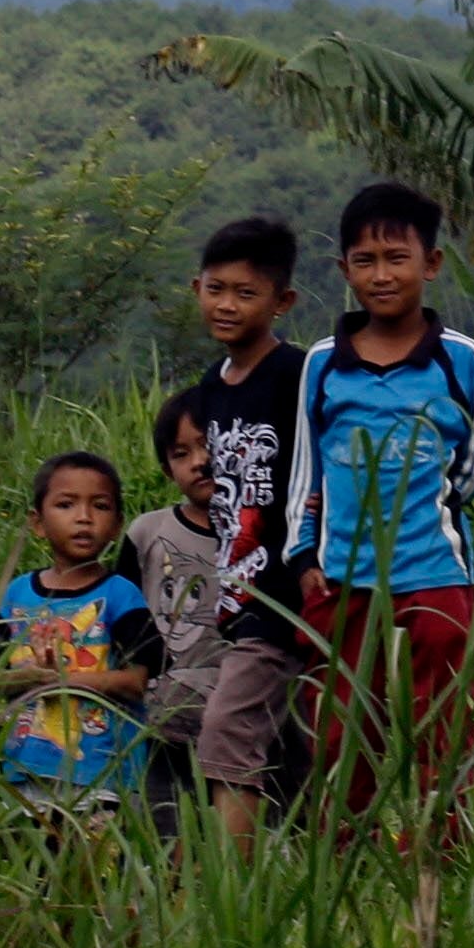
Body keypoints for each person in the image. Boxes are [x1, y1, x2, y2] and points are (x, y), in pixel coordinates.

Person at [279, 181, 474, 862]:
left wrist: (425, 516)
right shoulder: (320, 363)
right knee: (341, 726)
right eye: (365, 260)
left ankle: (436, 851)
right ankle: (342, 852)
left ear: (430, 265)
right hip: (342, 577)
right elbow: (305, 472)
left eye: (396, 257)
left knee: (442, 722)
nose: (381, 274)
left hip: (434, 573)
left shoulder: (462, 359)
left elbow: (471, 469)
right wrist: (304, 559)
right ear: (344, 270)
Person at [179, 215, 316, 848]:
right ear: (196, 287)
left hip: (288, 596)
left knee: (228, 733)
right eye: (216, 288)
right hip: (238, 595)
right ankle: (317, 864)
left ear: (282, 302)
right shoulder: (211, 387)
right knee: (291, 746)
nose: (226, 305)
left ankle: (220, 893)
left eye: (246, 293)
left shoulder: (297, 376)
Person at [0, 451, 164, 821]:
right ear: (37, 522)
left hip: (102, 775)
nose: (84, 518)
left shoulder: (120, 594)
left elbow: (136, 681)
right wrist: (28, 677)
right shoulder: (16, 594)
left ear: (117, 525)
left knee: (93, 872)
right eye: (66, 505)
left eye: (100, 506)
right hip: (22, 771)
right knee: (30, 874)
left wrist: (67, 680)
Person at [123, 393, 231, 840]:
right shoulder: (148, 533)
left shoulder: (261, 530)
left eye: (209, 446)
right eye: (181, 454)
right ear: (167, 469)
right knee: (165, 824)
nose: (199, 463)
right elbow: (123, 615)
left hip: (240, 715)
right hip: (160, 717)